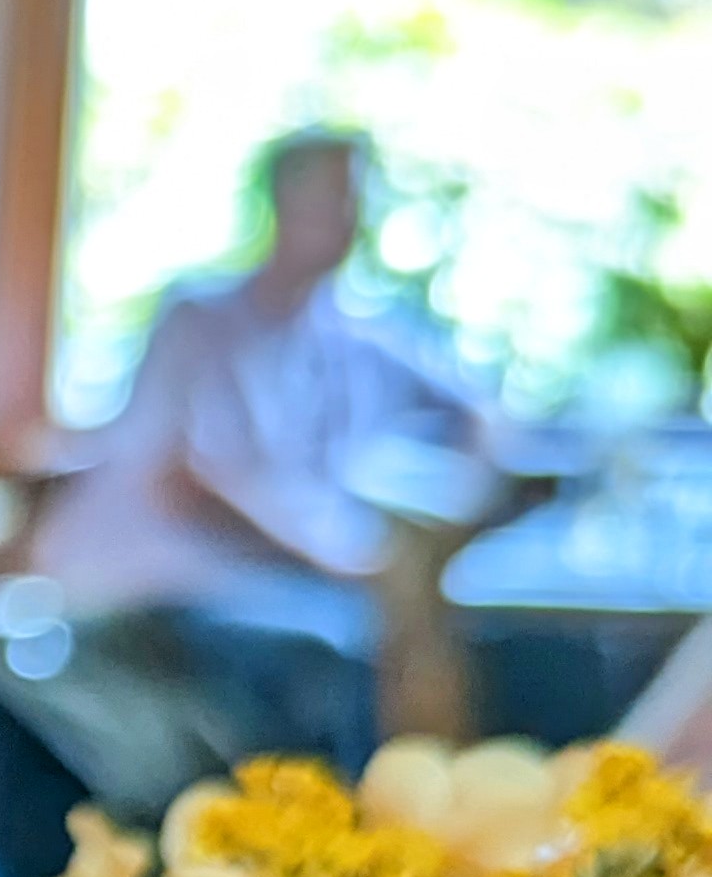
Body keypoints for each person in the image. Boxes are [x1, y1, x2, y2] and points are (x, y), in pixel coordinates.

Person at [32, 129, 485, 629]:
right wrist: (323, 565)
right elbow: (181, 484)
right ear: (285, 202)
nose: (351, 218)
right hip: (154, 588)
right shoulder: (199, 321)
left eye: (357, 200)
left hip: (270, 592)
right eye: (336, 198)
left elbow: (475, 411)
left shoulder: (351, 338)